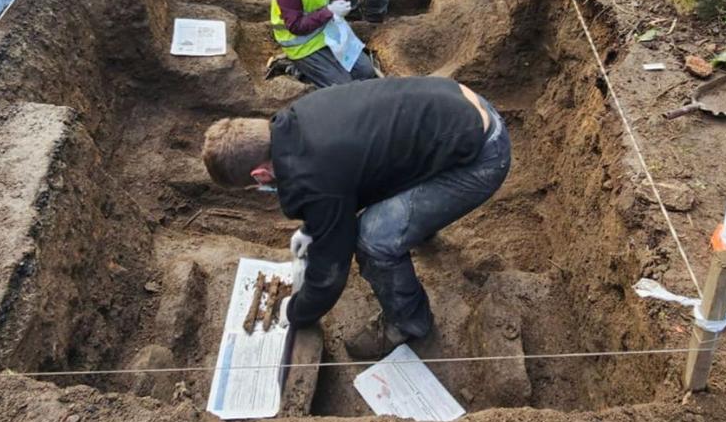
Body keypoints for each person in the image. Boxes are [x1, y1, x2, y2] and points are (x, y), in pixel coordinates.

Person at [201, 76, 511, 359]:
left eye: (256, 185)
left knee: (373, 240)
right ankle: (418, 228)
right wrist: (314, 229)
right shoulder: (298, 116)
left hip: (482, 155)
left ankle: (409, 323)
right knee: (385, 181)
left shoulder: (316, 178)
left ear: (259, 174)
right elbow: (348, 174)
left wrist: (296, 311)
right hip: (461, 101)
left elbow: (331, 273)